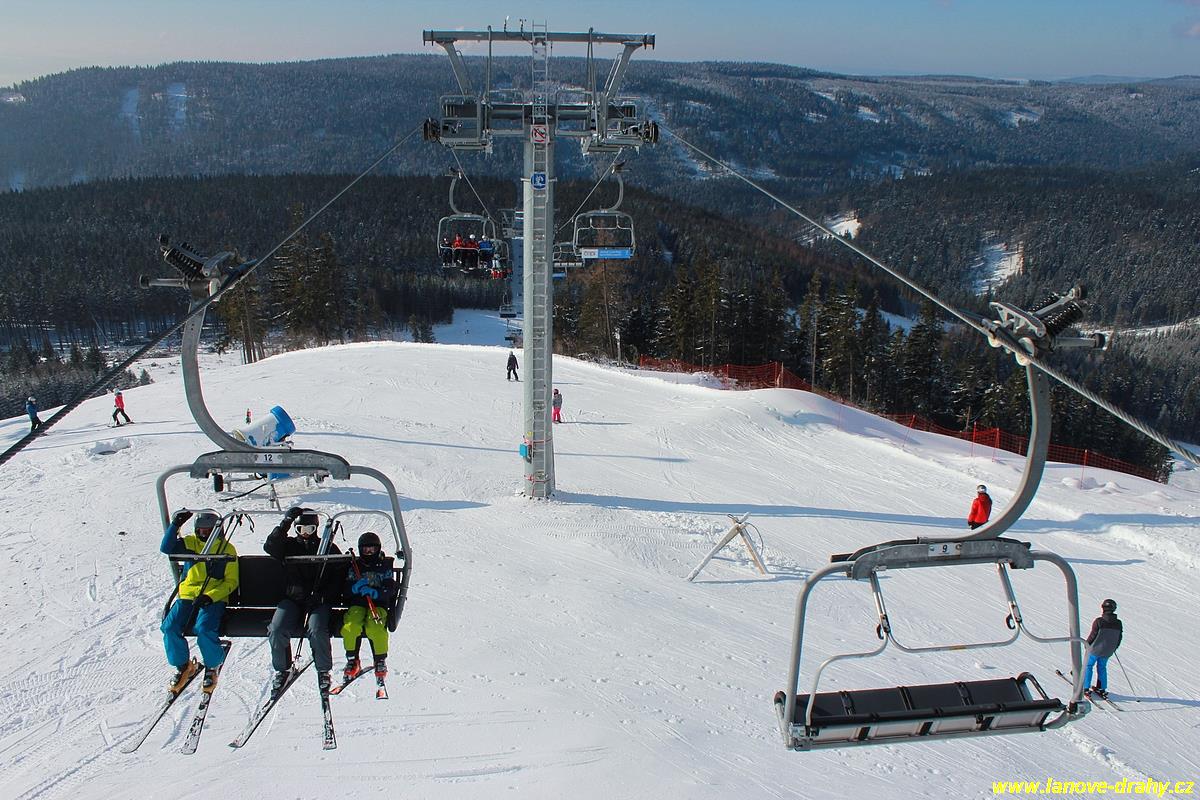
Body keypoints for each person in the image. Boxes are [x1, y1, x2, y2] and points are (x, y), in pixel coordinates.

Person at [265, 507, 343, 693]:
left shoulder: (327, 547)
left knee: (316, 630)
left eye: (310, 529)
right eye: (301, 529)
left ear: (316, 528)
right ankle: (283, 670)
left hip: (318, 601)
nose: (305, 533)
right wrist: (285, 523)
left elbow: (339, 576)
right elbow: (270, 547)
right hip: (293, 599)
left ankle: (323, 670)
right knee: (276, 629)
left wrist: (324, 596)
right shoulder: (288, 546)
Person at [160, 511, 238, 691]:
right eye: (200, 531)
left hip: (213, 597)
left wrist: (211, 596)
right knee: (170, 627)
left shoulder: (226, 549)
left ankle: (213, 664)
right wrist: (175, 525)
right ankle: (183, 666)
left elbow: (231, 581)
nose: (204, 535)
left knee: (204, 629)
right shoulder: (191, 543)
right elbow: (166, 548)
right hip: (188, 595)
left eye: (208, 531)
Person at [339, 532, 397, 681]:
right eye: (366, 550)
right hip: (357, 604)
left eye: (372, 549)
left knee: (376, 628)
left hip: (377, 604)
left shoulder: (384, 566)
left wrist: (376, 593)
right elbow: (344, 590)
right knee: (351, 627)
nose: (369, 553)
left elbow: (390, 588)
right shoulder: (356, 566)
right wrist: (354, 588)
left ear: (378, 549)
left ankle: (380, 660)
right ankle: (352, 659)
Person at [1082, 598, 1122, 699]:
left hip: (1095, 649)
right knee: (1102, 667)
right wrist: (1114, 648)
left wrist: (1087, 644)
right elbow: (1119, 638)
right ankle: (1101, 688)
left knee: (1088, 666)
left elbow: (1093, 635)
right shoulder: (1118, 623)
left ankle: (1085, 687)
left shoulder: (1099, 621)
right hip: (1108, 651)